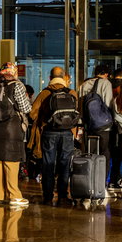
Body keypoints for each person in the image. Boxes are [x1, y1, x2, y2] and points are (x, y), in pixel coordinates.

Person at [29, 66, 77, 206]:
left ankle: (48, 197)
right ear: (64, 77)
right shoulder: (72, 92)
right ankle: (63, 196)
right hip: (67, 133)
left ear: (50, 78)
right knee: (64, 165)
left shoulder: (45, 93)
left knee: (48, 165)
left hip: (49, 132)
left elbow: (33, 113)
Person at [0, 62, 32, 207]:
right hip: (11, 128)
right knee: (11, 161)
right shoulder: (17, 85)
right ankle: (14, 195)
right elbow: (25, 107)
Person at [79, 64, 115, 198]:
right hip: (103, 126)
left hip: (88, 126)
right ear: (106, 74)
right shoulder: (106, 83)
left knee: (89, 154)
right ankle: (101, 186)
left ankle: (87, 184)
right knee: (104, 154)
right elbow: (109, 103)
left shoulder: (84, 84)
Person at [108, 68, 122, 192]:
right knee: (120, 153)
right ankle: (118, 178)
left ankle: (111, 179)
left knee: (111, 152)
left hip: (108, 125)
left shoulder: (108, 86)